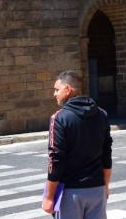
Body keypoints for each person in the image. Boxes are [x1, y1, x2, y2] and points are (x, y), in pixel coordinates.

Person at [42, 71, 112, 218]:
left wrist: (49, 197)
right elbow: (107, 155)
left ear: (67, 89)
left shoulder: (59, 118)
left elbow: (55, 159)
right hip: (97, 189)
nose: (54, 94)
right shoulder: (102, 114)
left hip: (70, 191)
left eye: (57, 90)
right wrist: (105, 185)